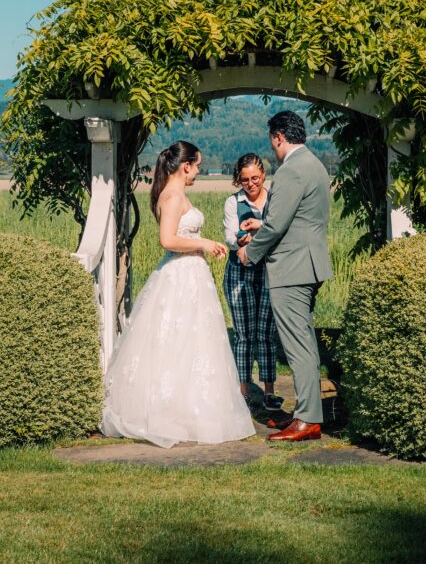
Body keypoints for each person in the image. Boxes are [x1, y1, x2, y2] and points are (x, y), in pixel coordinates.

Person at [101, 141, 255, 448]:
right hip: (181, 274)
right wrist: (204, 244)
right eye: (197, 165)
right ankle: (173, 411)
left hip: (191, 275)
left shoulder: (175, 193)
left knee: (191, 342)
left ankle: (189, 407)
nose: (198, 171)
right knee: (179, 339)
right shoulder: (172, 195)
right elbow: (167, 239)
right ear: (185, 166)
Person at [238, 112, 333, 442]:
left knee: (297, 345)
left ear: (278, 137)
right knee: (303, 341)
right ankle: (306, 412)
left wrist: (250, 252)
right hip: (308, 263)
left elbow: (277, 224)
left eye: (272, 141)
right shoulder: (315, 165)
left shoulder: (292, 169)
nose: (273, 147)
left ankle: (307, 420)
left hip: (292, 268)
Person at [222, 153, 283, 411]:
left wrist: (252, 232)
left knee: (266, 334)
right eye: (245, 179)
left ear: (263, 176)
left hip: (269, 271)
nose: (250, 184)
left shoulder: (274, 199)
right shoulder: (232, 203)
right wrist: (259, 234)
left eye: (255, 178)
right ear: (239, 180)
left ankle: (269, 391)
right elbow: (231, 238)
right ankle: (243, 391)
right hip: (240, 273)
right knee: (244, 335)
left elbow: (278, 232)